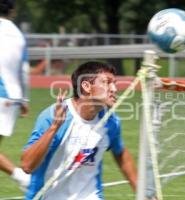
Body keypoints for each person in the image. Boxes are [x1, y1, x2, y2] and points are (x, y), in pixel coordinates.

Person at [21, 61, 137, 200]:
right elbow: (27, 166)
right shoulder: (53, 116)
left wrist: (141, 191)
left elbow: (120, 152)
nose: (114, 89)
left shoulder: (110, 121)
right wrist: (54, 128)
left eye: (114, 83)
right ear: (86, 86)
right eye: (106, 82)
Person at [0, 0, 30, 191]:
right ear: (12, 10)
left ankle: (23, 178)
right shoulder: (19, 36)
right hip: (13, 98)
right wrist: (25, 99)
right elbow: (24, 71)